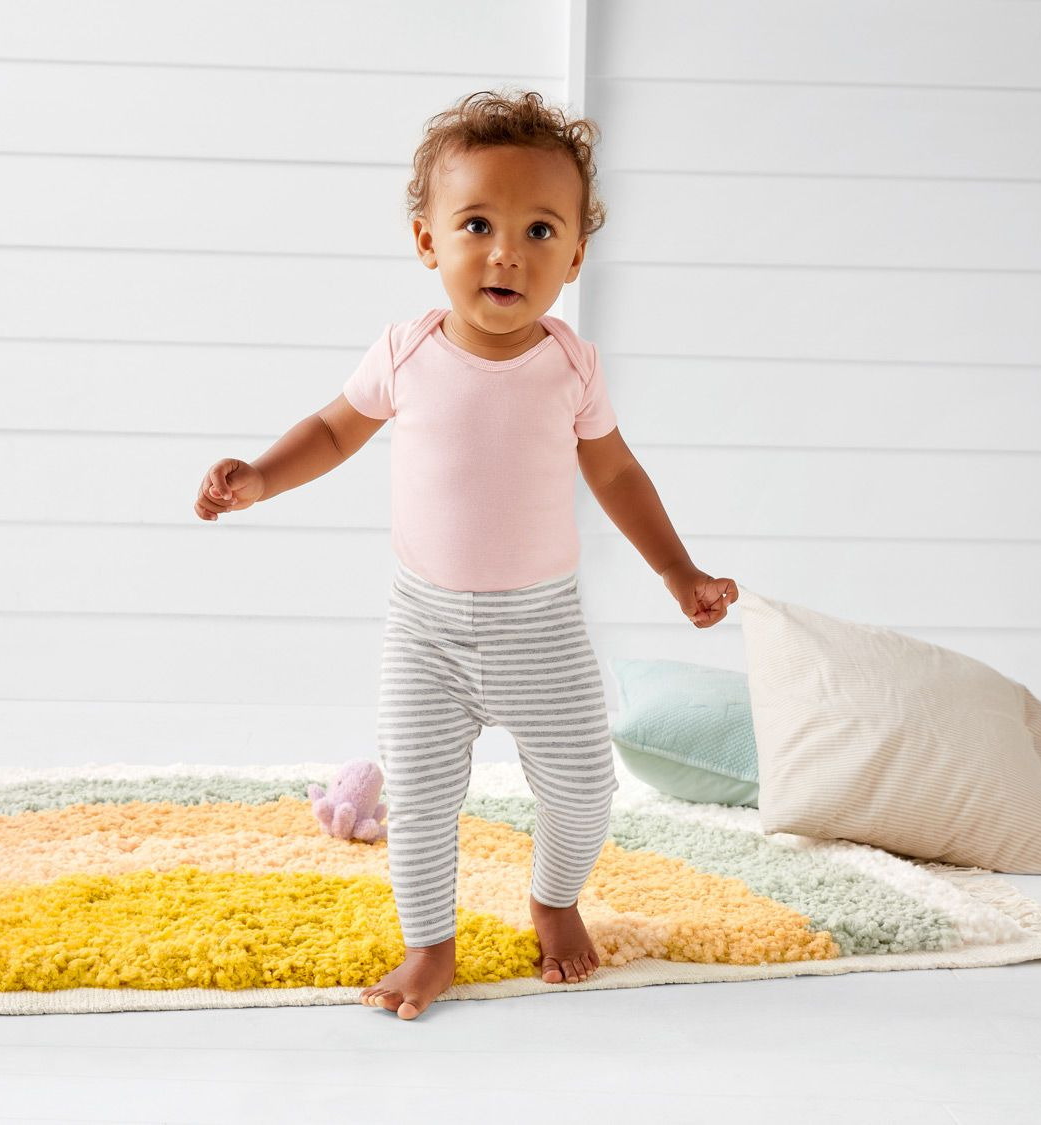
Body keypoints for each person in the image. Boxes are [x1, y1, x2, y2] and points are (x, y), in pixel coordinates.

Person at [195, 89, 739, 1020]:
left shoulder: (571, 365)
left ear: (574, 256)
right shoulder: (405, 352)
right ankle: (430, 944)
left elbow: (616, 473)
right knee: (420, 796)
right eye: (478, 224)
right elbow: (332, 430)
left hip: (543, 629)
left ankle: (554, 899)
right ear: (427, 241)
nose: (505, 252)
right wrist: (260, 477)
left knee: (584, 788)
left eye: (539, 230)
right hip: (427, 631)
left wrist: (677, 570)